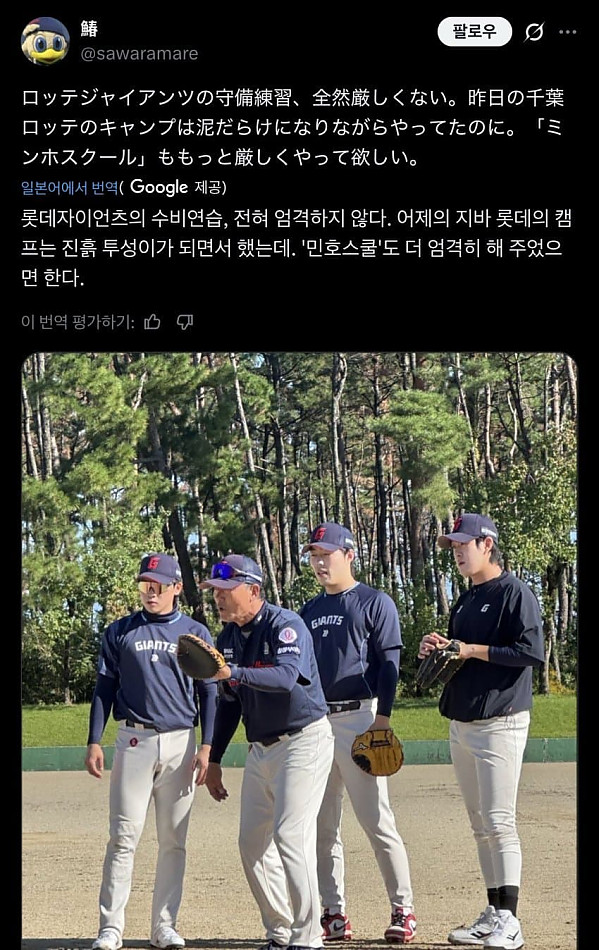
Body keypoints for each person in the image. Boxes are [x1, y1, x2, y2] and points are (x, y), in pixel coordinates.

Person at [418, 513, 544, 950]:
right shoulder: (467, 598)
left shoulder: (514, 592)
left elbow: (531, 651)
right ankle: (494, 912)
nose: (456, 551)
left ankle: (511, 921)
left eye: (463, 544)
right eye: (453, 546)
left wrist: (471, 649)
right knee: (480, 825)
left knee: (499, 821)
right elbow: (461, 654)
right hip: (464, 720)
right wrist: (440, 646)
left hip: (501, 720)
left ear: (486, 544)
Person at [201, 553, 335, 950]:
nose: (218, 597)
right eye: (215, 591)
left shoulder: (285, 625)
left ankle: (309, 937)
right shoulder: (227, 639)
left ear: (254, 590)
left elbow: (286, 677)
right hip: (260, 749)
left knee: (290, 834)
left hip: (303, 741)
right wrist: (214, 759)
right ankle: (281, 930)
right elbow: (229, 703)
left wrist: (233, 673)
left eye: (226, 590)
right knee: (252, 843)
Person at [85, 553, 218, 950]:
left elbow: (209, 692)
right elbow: (104, 688)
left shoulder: (194, 632)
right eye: (145, 584)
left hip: (182, 742)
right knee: (123, 837)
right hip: (134, 739)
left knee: (173, 840)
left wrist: (207, 746)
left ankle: (164, 926)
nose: (150, 592)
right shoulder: (120, 631)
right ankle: (111, 928)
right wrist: (94, 739)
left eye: (158, 585)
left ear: (176, 587)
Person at [299, 522, 416, 945]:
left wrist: (382, 719)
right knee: (322, 826)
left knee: (376, 820)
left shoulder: (374, 602)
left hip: (359, 719)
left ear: (349, 555)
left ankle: (403, 909)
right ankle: (333, 913)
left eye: (326, 554)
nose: (319, 562)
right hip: (317, 723)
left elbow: (389, 664)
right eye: (314, 555)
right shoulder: (309, 610)